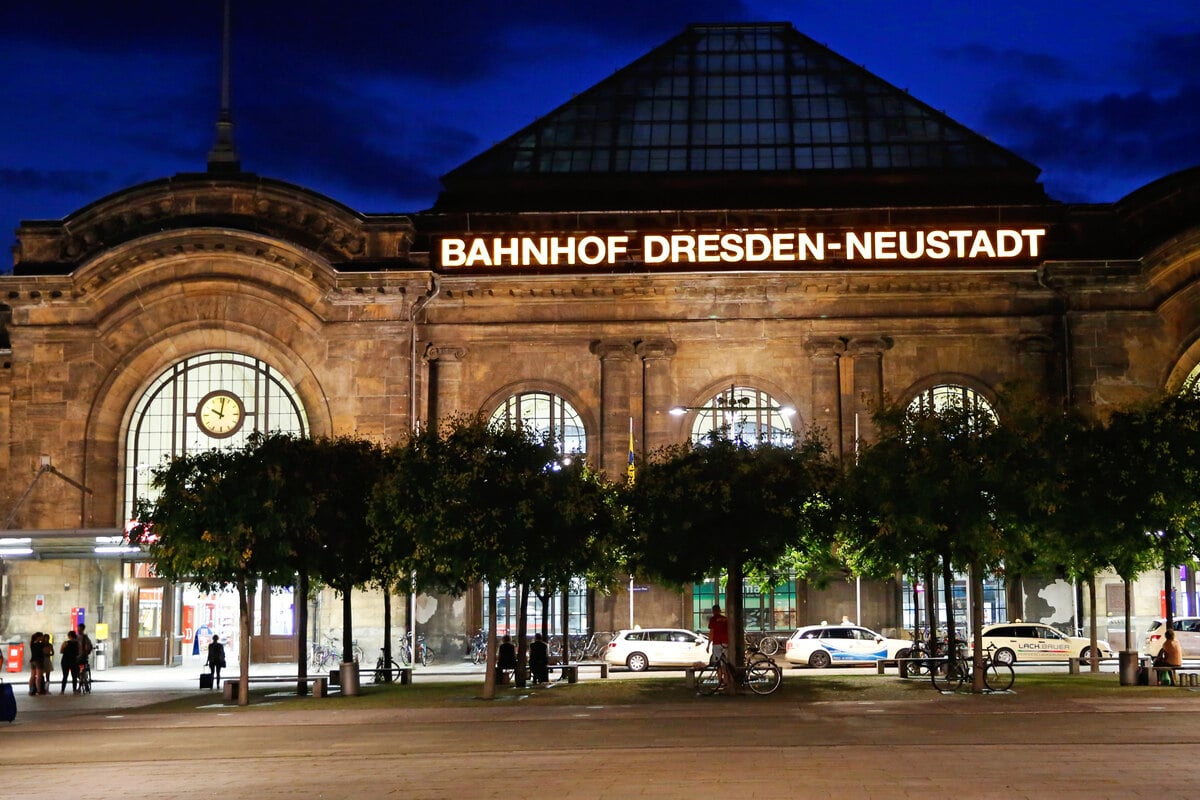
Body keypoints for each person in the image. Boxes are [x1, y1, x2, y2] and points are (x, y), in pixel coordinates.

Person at [707, 604, 732, 689]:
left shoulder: (713, 620)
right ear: (720, 610)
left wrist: (708, 644)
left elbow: (711, 633)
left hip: (717, 643)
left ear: (713, 611)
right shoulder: (725, 619)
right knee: (725, 663)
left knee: (718, 664)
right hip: (725, 643)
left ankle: (720, 682)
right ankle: (726, 681)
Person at [28, 632, 45, 696]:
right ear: (39, 637)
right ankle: (38, 690)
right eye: (42, 636)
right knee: (39, 676)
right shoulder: (40, 644)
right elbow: (45, 651)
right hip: (39, 661)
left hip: (32, 660)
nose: (42, 637)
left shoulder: (32, 643)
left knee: (32, 676)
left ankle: (30, 689)